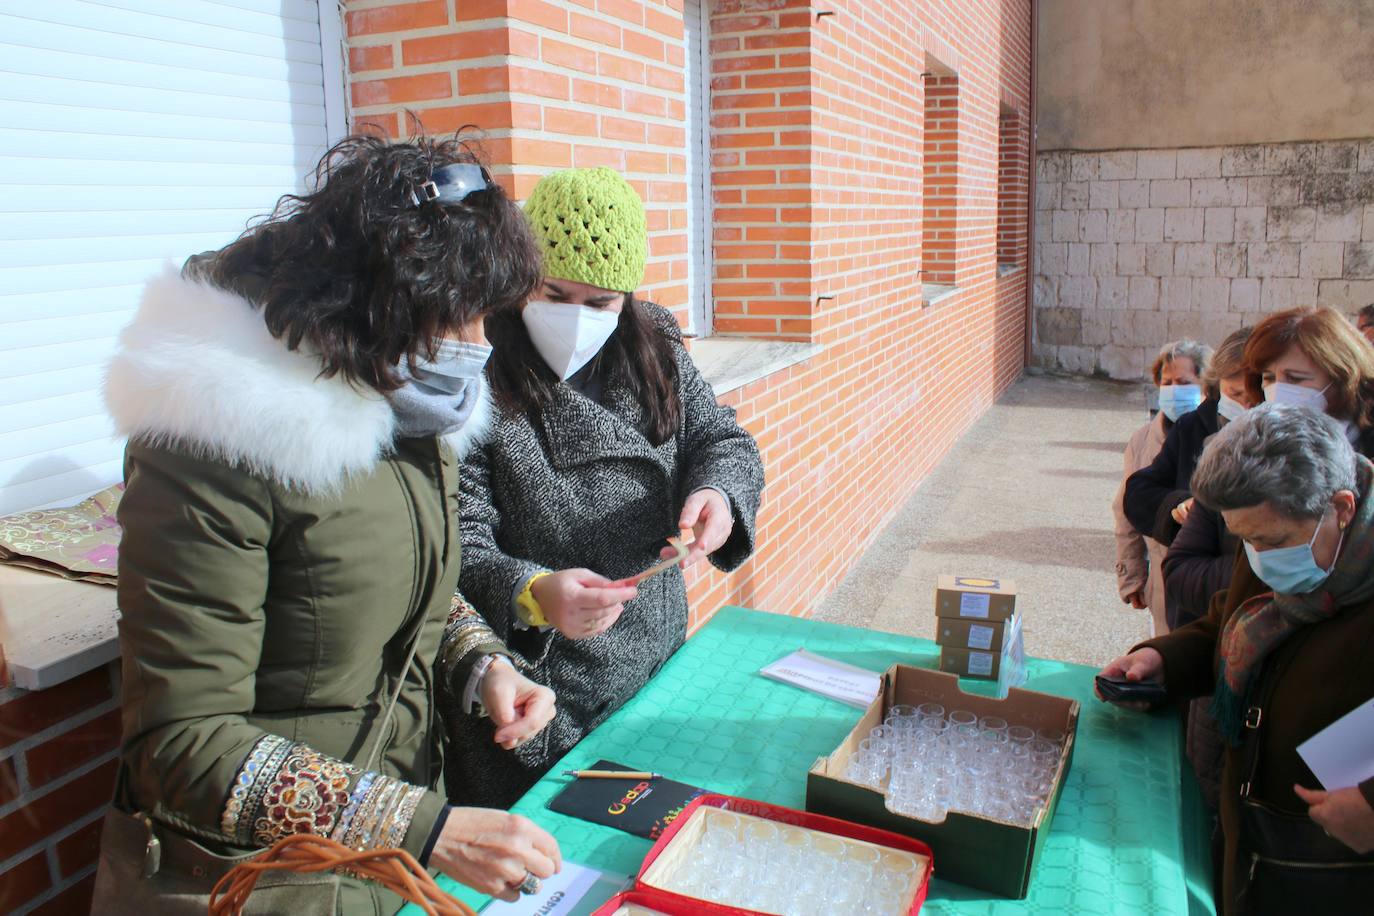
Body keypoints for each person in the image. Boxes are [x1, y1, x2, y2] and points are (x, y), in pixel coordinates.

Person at [96, 136, 563, 911]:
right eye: (458, 319)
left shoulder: (405, 410)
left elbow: (403, 586)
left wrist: (483, 664)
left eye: (487, 320)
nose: (477, 350)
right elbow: (178, 743)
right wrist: (423, 827)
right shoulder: (217, 440)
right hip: (261, 882)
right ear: (377, 304)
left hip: (379, 869)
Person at [448, 167, 765, 806]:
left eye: (599, 303)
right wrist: (532, 592)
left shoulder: (653, 345)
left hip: (655, 661)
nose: (574, 319)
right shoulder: (476, 373)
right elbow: (455, 545)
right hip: (540, 698)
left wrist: (718, 494)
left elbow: (720, 439)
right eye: (553, 293)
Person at [1098, 404, 1374, 912]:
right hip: (1249, 839)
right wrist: (1162, 660)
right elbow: (1229, 624)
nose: (1258, 558)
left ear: (1341, 508)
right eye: (1243, 539)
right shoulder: (1277, 554)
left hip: (1337, 873)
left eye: (1270, 540)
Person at [1114, 340, 1211, 637]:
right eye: (1167, 383)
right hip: (1161, 577)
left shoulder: (1218, 434)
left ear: (1206, 385)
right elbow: (1125, 509)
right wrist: (1131, 575)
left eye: (1184, 382)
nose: (1174, 390)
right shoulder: (1143, 439)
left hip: (1205, 577)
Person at [1244, 305, 1374, 455]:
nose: (1278, 390)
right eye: (1269, 378)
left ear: (1339, 379)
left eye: (1295, 378)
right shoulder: (1250, 446)